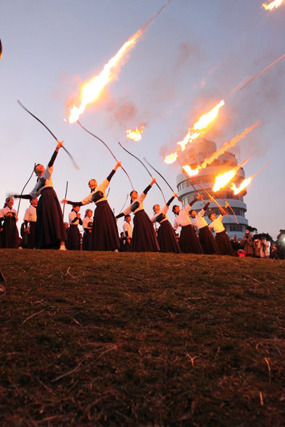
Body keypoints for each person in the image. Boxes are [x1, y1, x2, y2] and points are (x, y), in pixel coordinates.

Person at [13, 142, 66, 250]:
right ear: (35, 171)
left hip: (50, 196)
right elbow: (31, 196)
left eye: (41, 165)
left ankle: (61, 244)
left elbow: (51, 163)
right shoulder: (37, 184)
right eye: (38, 166)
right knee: (44, 220)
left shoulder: (46, 174)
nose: (40, 166)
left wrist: (56, 149)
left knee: (55, 217)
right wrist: (18, 196)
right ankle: (46, 244)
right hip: (43, 200)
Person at [62, 162, 121, 251]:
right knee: (100, 228)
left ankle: (114, 247)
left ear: (96, 183)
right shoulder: (91, 195)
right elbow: (81, 203)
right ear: (89, 185)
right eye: (91, 182)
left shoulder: (101, 187)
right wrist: (68, 202)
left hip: (106, 208)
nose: (93, 182)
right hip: (99, 210)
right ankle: (102, 247)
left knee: (110, 226)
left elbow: (109, 177)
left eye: (94, 181)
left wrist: (116, 166)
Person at [116, 178, 159, 252]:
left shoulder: (139, 199)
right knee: (139, 232)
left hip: (143, 215)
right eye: (134, 192)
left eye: (136, 192)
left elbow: (145, 192)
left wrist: (152, 183)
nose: (136, 193)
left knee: (147, 231)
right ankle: (141, 248)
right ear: (131, 195)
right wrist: (116, 217)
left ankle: (150, 247)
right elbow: (124, 213)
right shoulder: (131, 205)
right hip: (137, 218)